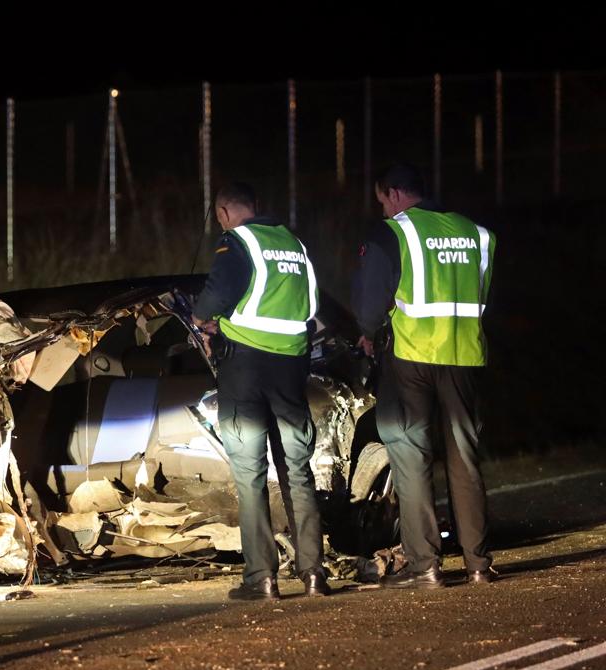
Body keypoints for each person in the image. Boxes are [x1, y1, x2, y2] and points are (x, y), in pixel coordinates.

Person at [353, 163, 498, 588]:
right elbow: (482, 295)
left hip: (411, 356)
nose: (383, 211)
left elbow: (369, 306)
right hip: (465, 357)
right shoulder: (478, 234)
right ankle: (478, 564)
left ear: (395, 194)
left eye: (382, 202)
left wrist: (366, 334)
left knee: (411, 456)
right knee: (465, 459)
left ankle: (426, 566)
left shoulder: (393, 232)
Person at [191, 182, 328, 600]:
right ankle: (313, 574)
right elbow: (311, 307)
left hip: (245, 369)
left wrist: (202, 320)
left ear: (223, 213)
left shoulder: (237, 241)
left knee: (250, 473)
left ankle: (261, 578)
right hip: (291, 368)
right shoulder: (294, 243)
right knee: (298, 471)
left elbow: (214, 297)